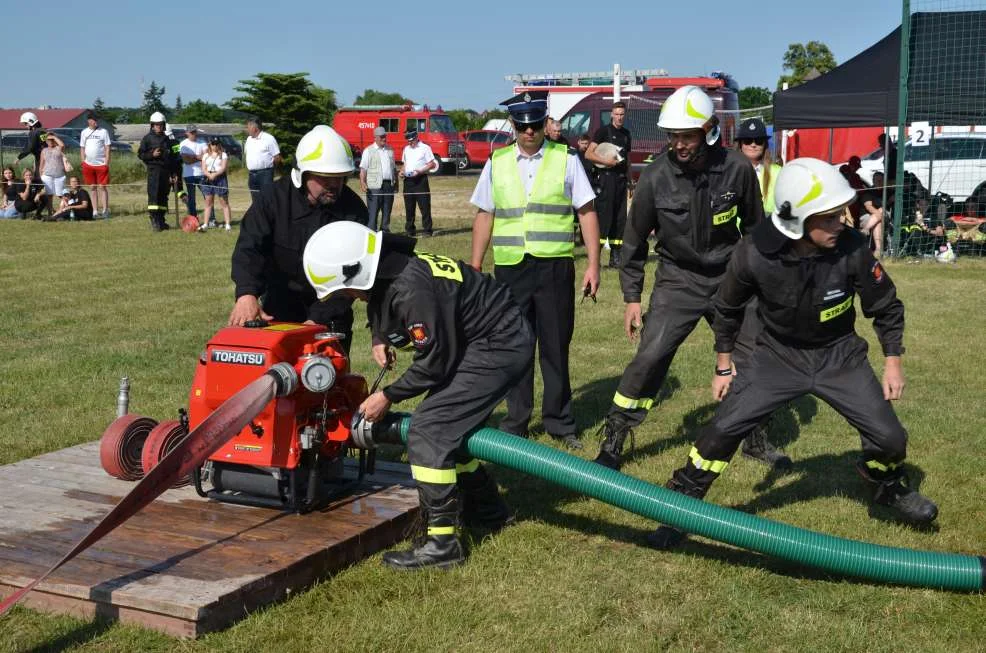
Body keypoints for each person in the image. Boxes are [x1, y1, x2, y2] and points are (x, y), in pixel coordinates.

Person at [646, 158, 939, 549]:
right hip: (777, 357)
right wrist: (723, 364)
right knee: (721, 431)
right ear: (798, 219)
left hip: (839, 357)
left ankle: (884, 482)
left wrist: (893, 363)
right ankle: (680, 505)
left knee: (890, 438)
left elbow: (885, 306)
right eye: (830, 218)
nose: (842, 224)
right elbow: (728, 309)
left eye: (839, 215)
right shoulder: (754, 254)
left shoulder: (852, 248)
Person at [303, 221, 533, 569]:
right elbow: (378, 297)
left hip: (499, 345)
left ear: (357, 272)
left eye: (346, 291)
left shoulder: (411, 288)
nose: (348, 297)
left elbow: (436, 361)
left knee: (429, 429)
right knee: (447, 429)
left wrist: (389, 396)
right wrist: (381, 335)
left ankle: (442, 545)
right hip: (485, 338)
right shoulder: (390, 267)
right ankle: (488, 510)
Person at [592, 85, 784, 470]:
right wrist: (633, 298)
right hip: (678, 280)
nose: (679, 145)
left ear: (708, 129)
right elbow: (633, 242)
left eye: (687, 136)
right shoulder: (656, 176)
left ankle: (754, 435)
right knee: (650, 356)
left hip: (731, 279)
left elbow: (755, 230)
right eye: (673, 137)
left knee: (752, 358)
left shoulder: (737, 170)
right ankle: (614, 437)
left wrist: (759, 282)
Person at [469, 90, 601, 450]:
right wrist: (476, 264)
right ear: (513, 126)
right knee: (515, 345)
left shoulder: (566, 159)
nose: (529, 132)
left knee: (556, 346)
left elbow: (586, 211)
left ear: (544, 124)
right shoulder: (496, 163)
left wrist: (593, 264)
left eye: (535, 125)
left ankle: (559, 422)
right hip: (512, 269)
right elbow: (486, 214)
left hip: (555, 267)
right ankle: (516, 421)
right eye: (523, 126)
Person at [229, 125, 368, 350]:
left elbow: (352, 276)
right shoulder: (273, 199)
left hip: (330, 314)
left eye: (340, 178)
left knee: (329, 381)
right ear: (302, 174)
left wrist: (317, 321)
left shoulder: (354, 211)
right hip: (278, 308)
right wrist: (246, 293)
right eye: (326, 179)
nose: (335, 186)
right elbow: (250, 247)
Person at [586, 101, 631, 269]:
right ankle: (595, 258)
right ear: (612, 114)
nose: (619, 117)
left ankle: (616, 256)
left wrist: (630, 179)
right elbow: (589, 154)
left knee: (620, 220)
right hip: (606, 178)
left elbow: (628, 159)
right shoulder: (603, 132)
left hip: (621, 180)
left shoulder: (626, 134)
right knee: (604, 217)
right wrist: (606, 161)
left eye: (622, 114)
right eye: (617, 114)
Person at [137, 112, 181, 232]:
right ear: (152, 125)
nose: (158, 127)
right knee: (154, 196)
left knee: (163, 196)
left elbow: (171, 158)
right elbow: (140, 154)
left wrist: (173, 173)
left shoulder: (167, 140)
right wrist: (152, 154)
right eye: (156, 125)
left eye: (160, 124)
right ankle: (154, 220)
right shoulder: (147, 139)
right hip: (154, 171)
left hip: (166, 171)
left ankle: (161, 220)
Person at [735, 117, 781, 215]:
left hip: (767, 228)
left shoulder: (779, 173)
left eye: (759, 140)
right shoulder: (729, 172)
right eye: (747, 140)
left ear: (765, 145)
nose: (753, 145)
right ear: (740, 145)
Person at [359, 126, 398, 231]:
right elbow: (363, 169)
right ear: (375, 137)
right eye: (381, 137)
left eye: (385, 136)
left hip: (388, 185)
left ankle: (385, 233)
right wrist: (362, 182)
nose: (384, 139)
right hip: (374, 186)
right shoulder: (368, 150)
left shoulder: (390, 150)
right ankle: (372, 233)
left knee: (387, 211)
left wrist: (396, 183)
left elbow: (394, 168)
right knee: (373, 212)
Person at [400, 129, 437, 237]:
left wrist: (420, 171)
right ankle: (410, 230)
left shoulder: (425, 148)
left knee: (424, 206)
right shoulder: (406, 149)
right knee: (409, 207)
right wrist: (402, 171)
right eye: (408, 141)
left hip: (421, 180)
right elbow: (405, 163)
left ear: (416, 137)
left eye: (411, 141)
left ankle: (427, 230)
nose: (410, 143)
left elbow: (431, 164)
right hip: (408, 181)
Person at [80, 111, 112, 218]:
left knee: (103, 187)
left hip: (101, 164)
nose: (95, 122)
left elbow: (107, 147)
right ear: (89, 121)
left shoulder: (103, 132)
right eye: (94, 120)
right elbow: (82, 147)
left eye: (96, 120)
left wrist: (106, 162)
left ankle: (105, 210)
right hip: (88, 164)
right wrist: (83, 162)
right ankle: (94, 210)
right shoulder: (84, 132)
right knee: (92, 188)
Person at [244, 117, 281, 200]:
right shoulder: (249, 139)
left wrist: (271, 170)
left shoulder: (269, 138)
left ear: (255, 128)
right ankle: (258, 213)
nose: (247, 129)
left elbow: (277, 157)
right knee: (255, 200)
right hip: (252, 174)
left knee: (267, 199)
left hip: (265, 174)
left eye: (248, 127)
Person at [201, 137, 232, 231]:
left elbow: (223, 168)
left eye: (216, 144)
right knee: (208, 202)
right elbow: (203, 168)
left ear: (219, 144)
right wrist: (208, 175)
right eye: (213, 144)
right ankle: (206, 224)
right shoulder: (205, 155)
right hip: (208, 178)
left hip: (220, 178)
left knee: (224, 201)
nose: (215, 146)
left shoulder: (223, 155)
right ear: (210, 144)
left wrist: (215, 174)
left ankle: (227, 224)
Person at [179, 125, 207, 220]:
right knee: (191, 198)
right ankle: (193, 218)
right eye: (191, 132)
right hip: (189, 174)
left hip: (202, 174)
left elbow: (206, 157)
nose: (194, 134)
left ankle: (211, 219)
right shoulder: (183, 144)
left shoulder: (202, 142)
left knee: (207, 196)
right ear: (186, 133)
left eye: (195, 132)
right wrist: (199, 157)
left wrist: (191, 157)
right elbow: (186, 161)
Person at [39, 133, 67, 215]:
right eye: (48, 140)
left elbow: (62, 145)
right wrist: (41, 174)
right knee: (49, 194)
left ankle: (64, 209)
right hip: (47, 175)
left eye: (52, 140)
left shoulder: (59, 148)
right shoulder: (44, 150)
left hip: (59, 175)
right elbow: (41, 164)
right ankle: (50, 211)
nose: (50, 142)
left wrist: (54, 137)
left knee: (60, 194)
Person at [17, 112, 46, 177]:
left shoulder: (33, 132)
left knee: (39, 177)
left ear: (30, 122)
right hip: (48, 158)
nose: (25, 126)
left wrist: (18, 158)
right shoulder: (43, 131)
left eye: (25, 123)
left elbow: (29, 147)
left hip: (41, 159)